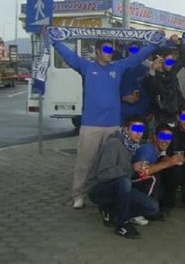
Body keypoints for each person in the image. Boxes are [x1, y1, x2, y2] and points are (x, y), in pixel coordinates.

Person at [51, 35, 162, 209]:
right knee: (85, 162)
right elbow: (70, 57)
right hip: (91, 124)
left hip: (112, 125)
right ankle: (79, 195)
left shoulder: (118, 67)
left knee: (111, 163)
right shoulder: (87, 67)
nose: (110, 53)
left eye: (111, 50)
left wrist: (153, 45)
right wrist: (55, 41)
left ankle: (104, 195)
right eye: (106, 50)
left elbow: (135, 59)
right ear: (97, 52)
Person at [84, 116, 161, 239]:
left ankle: (111, 212)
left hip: (119, 186)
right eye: (135, 129)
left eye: (141, 130)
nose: (139, 133)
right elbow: (103, 174)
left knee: (152, 207)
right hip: (98, 188)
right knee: (124, 182)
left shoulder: (132, 146)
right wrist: (132, 168)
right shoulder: (114, 144)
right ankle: (122, 224)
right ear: (125, 129)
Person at [132, 123, 184, 216]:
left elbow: (164, 159)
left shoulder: (160, 152)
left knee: (173, 171)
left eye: (168, 138)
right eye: (163, 137)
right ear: (155, 137)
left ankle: (164, 207)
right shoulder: (147, 149)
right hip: (133, 187)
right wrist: (168, 163)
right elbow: (143, 173)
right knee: (156, 175)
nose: (166, 141)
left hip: (146, 187)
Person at [142, 48, 185, 127]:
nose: (171, 65)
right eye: (168, 62)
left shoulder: (172, 73)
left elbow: (184, 58)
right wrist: (152, 69)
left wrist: (179, 44)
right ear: (160, 61)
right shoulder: (152, 76)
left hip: (173, 116)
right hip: (158, 118)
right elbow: (149, 87)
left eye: (172, 62)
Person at [120, 42, 150, 125]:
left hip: (141, 113)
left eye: (136, 50)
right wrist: (122, 98)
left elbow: (151, 91)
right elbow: (110, 91)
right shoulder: (119, 69)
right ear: (127, 52)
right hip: (122, 114)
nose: (134, 52)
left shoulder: (146, 70)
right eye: (132, 50)